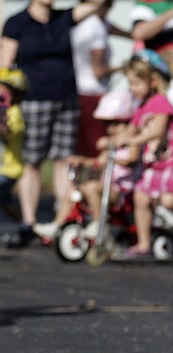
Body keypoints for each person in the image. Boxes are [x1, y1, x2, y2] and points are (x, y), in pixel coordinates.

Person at [0, 0, 106, 245]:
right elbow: (4, 66)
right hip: (32, 101)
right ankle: (29, 222)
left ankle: (61, 220)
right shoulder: (17, 23)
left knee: (63, 161)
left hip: (66, 99)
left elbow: (97, 0)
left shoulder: (63, 18)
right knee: (32, 162)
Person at [111, 52, 173, 258]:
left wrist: (131, 141)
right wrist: (112, 140)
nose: (132, 88)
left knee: (169, 202)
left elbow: (157, 130)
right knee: (141, 197)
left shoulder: (160, 101)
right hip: (156, 162)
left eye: (137, 83)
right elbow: (131, 129)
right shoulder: (141, 107)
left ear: (153, 81)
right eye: (130, 84)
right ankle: (143, 243)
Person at [32, 89, 141, 241]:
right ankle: (57, 224)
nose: (111, 129)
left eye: (116, 124)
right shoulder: (112, 146)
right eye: (108, 125)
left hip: (122, 191)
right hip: (105, 186)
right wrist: (80, 160)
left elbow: (133, 159)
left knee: (90, 186)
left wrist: (114, 156)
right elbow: (97, 162)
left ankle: (98, 224)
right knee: (73, 189)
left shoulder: (131, 143)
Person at [72, 0, 128, 158]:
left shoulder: (84, 23)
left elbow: (119, 30)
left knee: (81, 148)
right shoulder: (95, 28)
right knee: (94, 150)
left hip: (79, 92)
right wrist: (122, 68)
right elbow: (99, 70)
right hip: (92, 95)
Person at [0, 69, 28, 247]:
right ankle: (26, 227)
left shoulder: (14, 113)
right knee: (4, 203)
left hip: (8, 169)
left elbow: (7, 132)